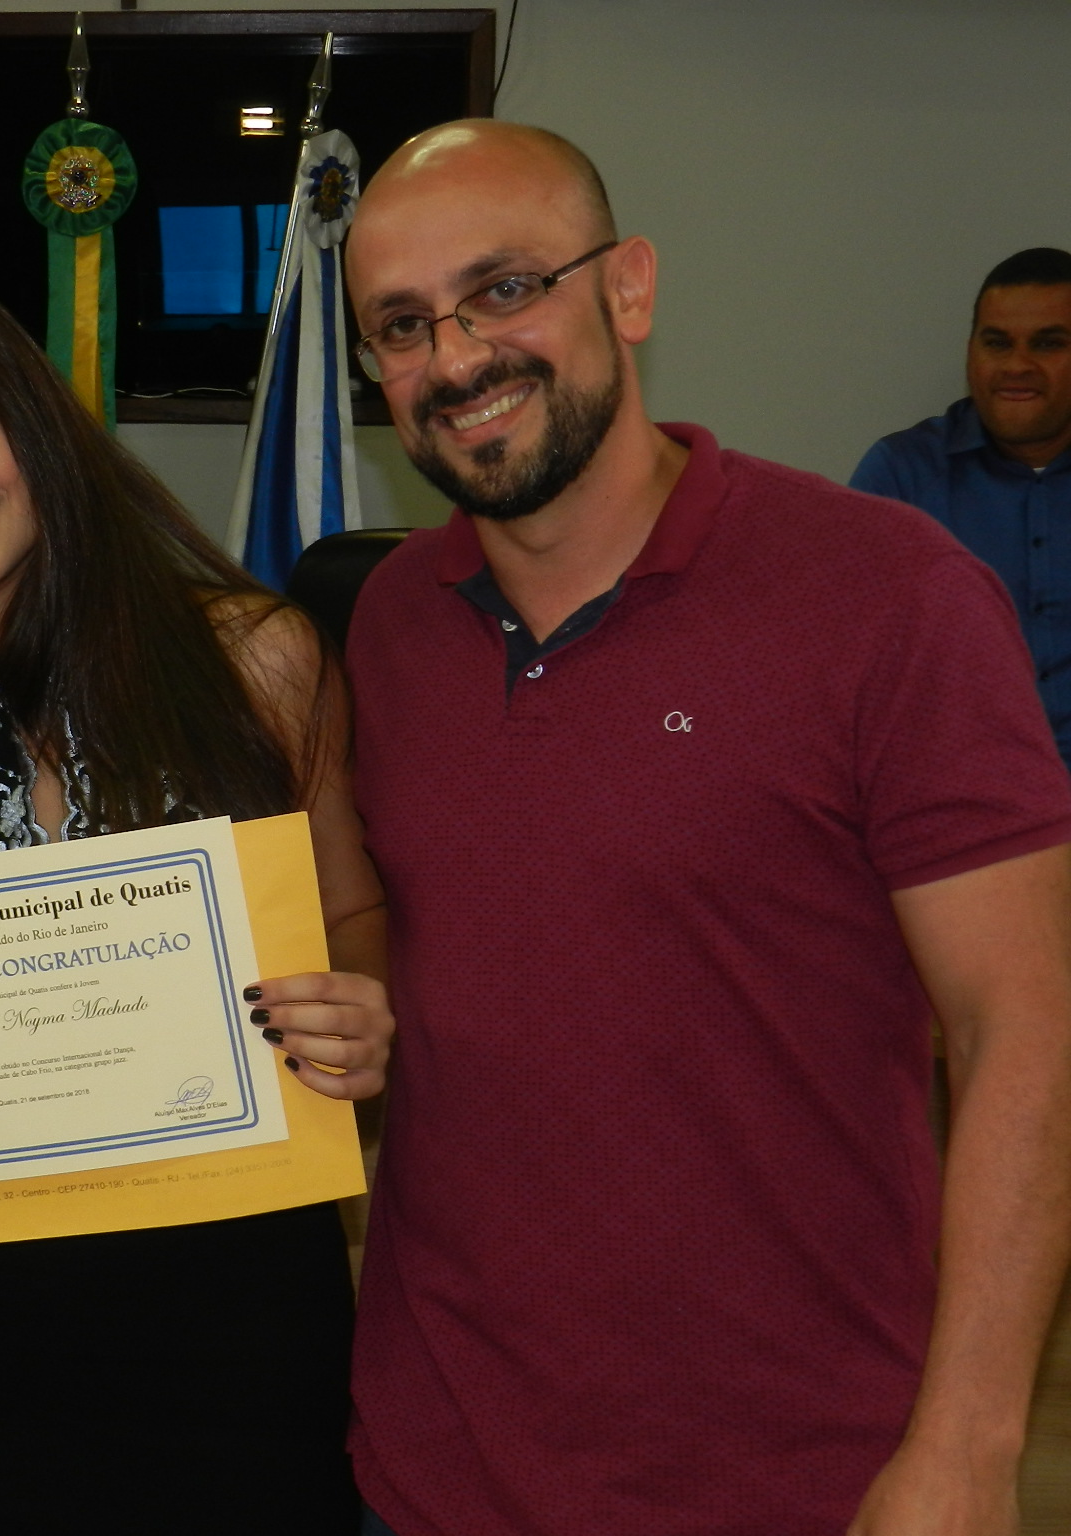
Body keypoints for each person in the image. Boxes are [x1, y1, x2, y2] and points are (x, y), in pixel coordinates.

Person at [339, 120, 1071, 1535]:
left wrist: (971, 1446)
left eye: (505, 289)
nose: (458, 357)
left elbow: (1023, 1034)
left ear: (629, 290)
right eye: (403, 326)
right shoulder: (386, 625)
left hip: (793, 1476)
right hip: (430, 1471)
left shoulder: (889, 594)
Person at [0, 267, 395, 1536]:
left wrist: (370, 1016)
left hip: (241, 1302)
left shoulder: (248, 656)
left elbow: (353, 912)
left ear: (35, 423)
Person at [851, 247, 1071, 768]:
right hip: (961, 802)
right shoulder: (901, 477)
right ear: (971, 352)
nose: (1017, 366)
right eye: (997, 343)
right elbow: (845, 660)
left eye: (1049, 344)